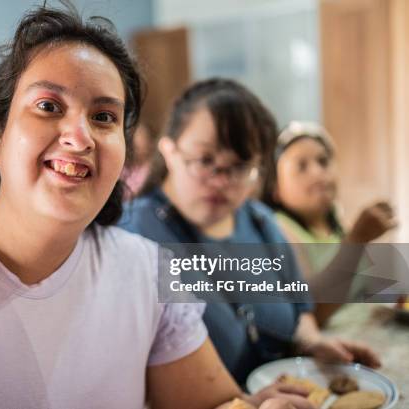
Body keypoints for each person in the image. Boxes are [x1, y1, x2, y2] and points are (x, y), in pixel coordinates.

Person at [0, 5, 314, 409]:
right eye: (48, 106)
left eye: (105, 117)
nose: (79, 135)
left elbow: (233, 376)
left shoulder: (191, 250)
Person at [119, 78, 381, 385]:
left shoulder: (259, 221)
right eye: (206, 161)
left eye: (240, 166)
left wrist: (313, 344)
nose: (222, 181)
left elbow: (299, 310)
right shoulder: (133, 234)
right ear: (169, 150)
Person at [260, 121, 397, 325]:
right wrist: (357, 239)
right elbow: (311, 310)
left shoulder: (337, 222)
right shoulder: (280, 229)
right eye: (302, 166)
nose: (318, 173)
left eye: (323, 161)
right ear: (276, 189)